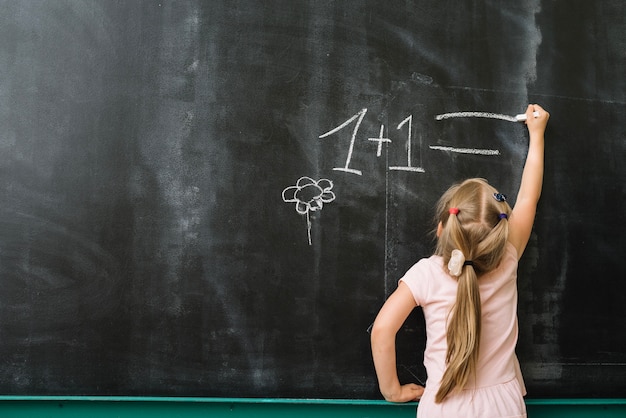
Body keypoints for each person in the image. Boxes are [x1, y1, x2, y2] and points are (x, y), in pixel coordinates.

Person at [370, 104, 549, 418]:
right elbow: (528, 198)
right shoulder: (508, 258)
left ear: (442, 230)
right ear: (501, 234)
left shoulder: (425, 275)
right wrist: (537, 136)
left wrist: (393, 390)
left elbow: (382, 329)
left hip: (443, 405)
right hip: (503, 406)